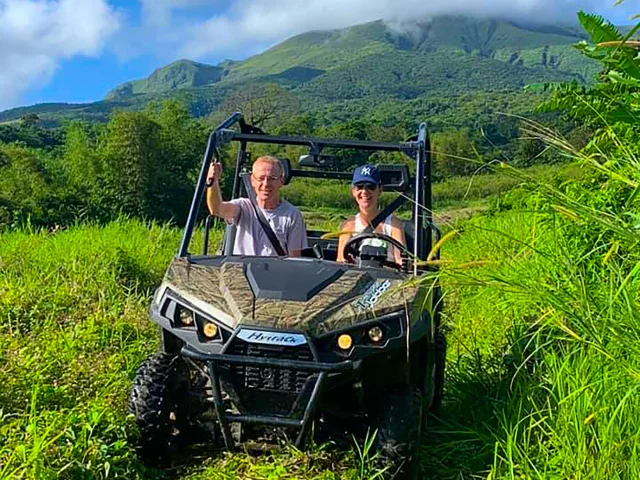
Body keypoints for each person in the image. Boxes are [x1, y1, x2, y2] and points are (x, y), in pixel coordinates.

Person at [206, 155, 308, 256]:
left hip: (274, 270)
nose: (266, 184)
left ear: (281, 181)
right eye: (261, 178)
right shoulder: (242, 207)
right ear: (252, 181)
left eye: (272, 178)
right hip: (241, 270)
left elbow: (293, 260)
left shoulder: (292, 215)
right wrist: (213, 181)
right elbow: (216, 209)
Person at [336, 164, 406, 264]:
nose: (364, 191)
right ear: (353, 191)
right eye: (359, 187)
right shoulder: (348, 225)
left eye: (370, 187)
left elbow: (401, 260)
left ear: (380, 190)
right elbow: (340, 262)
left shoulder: (394, 224)